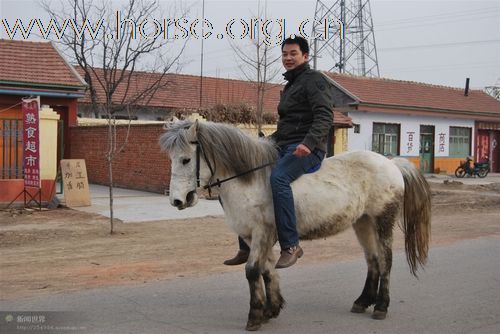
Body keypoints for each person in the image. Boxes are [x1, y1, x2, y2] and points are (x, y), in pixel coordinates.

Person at [224, 36, 334, 269]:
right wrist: (263, 143)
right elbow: (287, 127)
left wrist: (309, 142)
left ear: (305, 56)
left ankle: (291, 246)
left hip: (307, 148)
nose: (288, 58)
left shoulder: (314, 80)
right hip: (285, 144)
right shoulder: (291, 85)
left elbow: (325, 115)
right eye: (284, 54)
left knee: (279, 178)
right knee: (246, 171)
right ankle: (246, 245)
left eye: (293, 53)